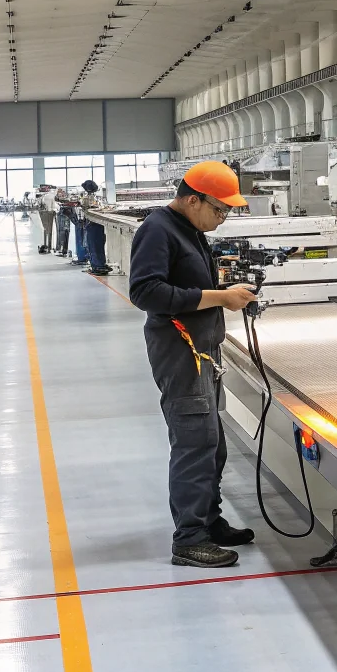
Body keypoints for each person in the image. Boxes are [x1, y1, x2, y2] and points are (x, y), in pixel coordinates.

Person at [128, 161, 258, 568]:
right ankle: (189, 539)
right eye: (219, 209)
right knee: (194, 443)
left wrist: (225, 292)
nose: (223, 218)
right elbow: (146, 291)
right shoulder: (158, 229)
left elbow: (186, 285)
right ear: (191, 199)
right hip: (181, 353)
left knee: (212, 443)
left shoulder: (191, 231)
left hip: (203, 352)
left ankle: (208, 520)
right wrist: (219, 298)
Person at [78, 179, 111, 275]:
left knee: (93, 245)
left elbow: (84, 207)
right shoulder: (98, 198)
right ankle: (101, 263)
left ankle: (96, 265)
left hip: (91, 224)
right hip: (99, 224)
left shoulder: (85, 199)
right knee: (99, 244)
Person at [35, 184, 58, 253]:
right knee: (48, 230)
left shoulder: (48, 195)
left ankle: (48, 246)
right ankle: (48, 246)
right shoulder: (47, 195)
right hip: (48, 213)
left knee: (47, 230)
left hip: (47, 213)